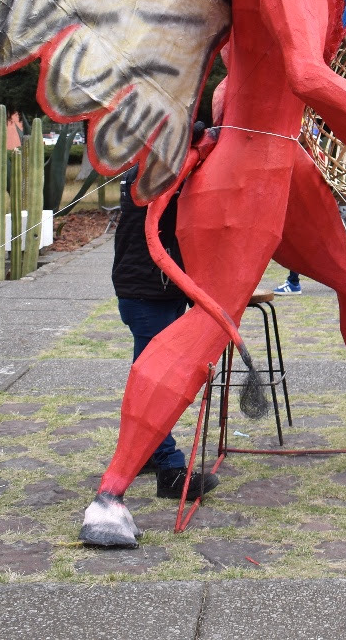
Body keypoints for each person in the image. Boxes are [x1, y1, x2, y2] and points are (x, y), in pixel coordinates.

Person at [111, 165, 214, 502]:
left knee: (151, 377)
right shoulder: (153, 171)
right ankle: (169, 469)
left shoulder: (162, 166)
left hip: (161, 290)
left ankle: (146, 454)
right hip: (146, 293)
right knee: (154, 382)